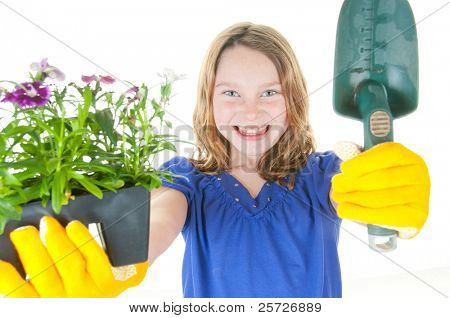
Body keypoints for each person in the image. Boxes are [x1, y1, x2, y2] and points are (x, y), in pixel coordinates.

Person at [0, 22, 430, 298]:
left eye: (269, 92)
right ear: (208, 102)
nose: (250, 110)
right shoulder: (186, 178)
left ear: (293, 100)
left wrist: (394, 193)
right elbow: (159, 219)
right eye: (230, 93)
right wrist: (120, 260)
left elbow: (359, 187)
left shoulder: (322, 176)